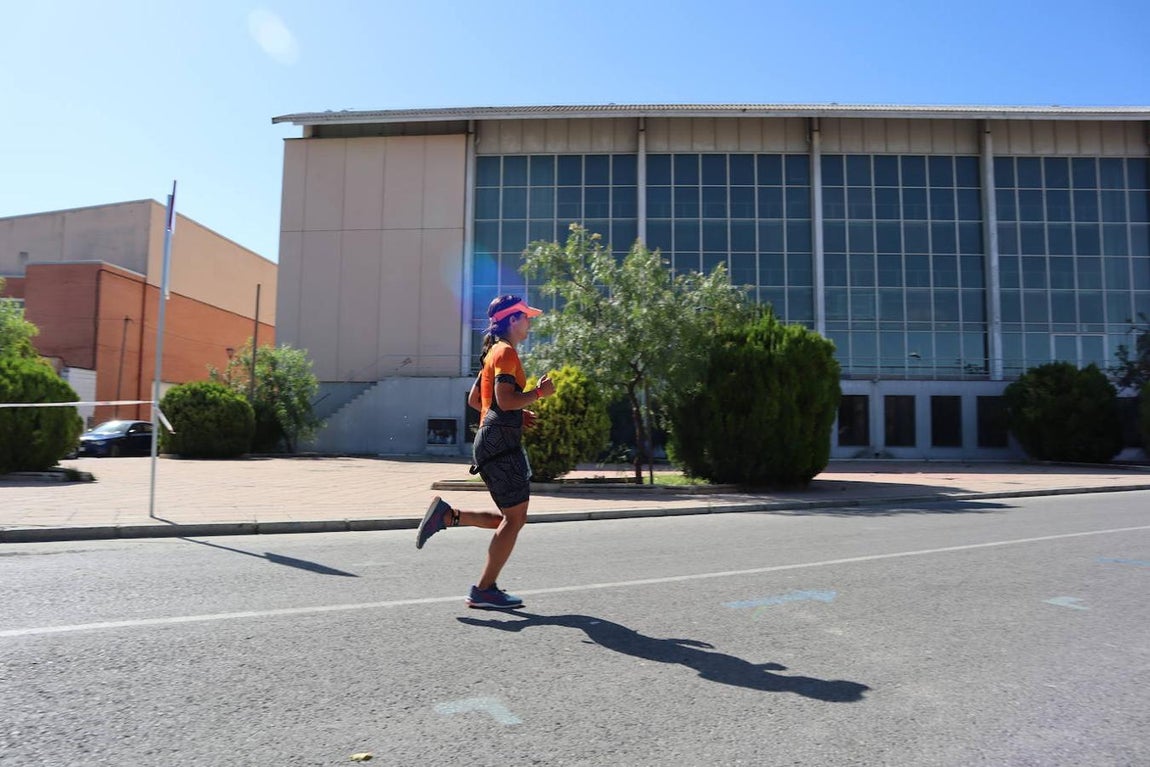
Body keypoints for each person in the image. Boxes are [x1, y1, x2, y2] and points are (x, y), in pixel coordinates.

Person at [416, 294, 556, 609]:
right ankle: (484, 589)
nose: (529, 322)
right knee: (515, 518)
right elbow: (504, 400)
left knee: (512, 519)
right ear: (512, 320)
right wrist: (538, 394)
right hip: (501, 445)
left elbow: (478, 402)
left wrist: (517, 415)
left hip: (491, 441)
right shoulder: (506, 352)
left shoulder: (493, 352)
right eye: (525, 317)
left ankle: (448, 516)